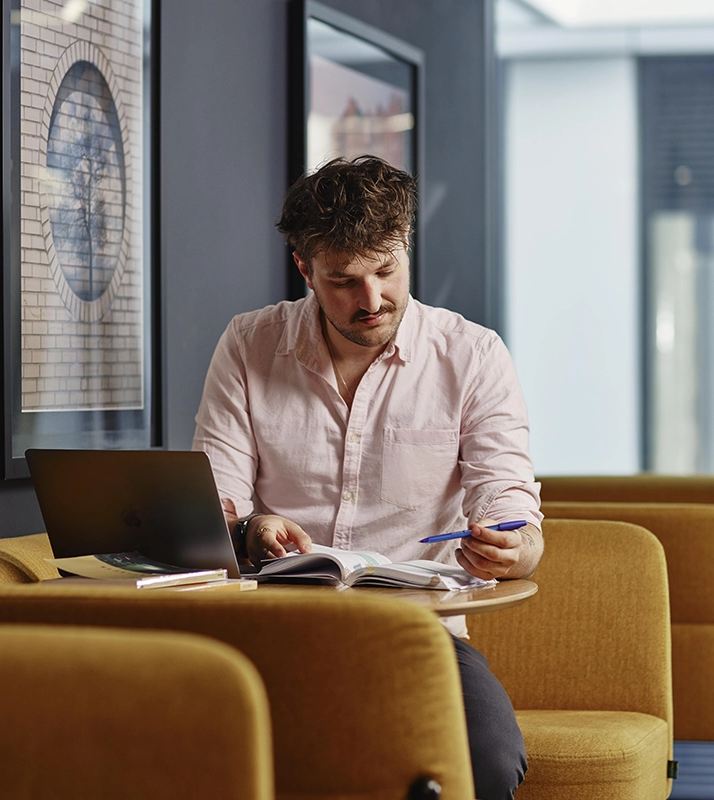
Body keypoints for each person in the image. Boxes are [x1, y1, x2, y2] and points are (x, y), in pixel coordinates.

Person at [192, 155, 541, 799]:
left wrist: (512, 547)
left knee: (487, 761)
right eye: (344, 281)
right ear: (305, 268)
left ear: (406, 247)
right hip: (272, 634)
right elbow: (209, 511)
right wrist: (248, 530)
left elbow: (511, 500)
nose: (372, 300)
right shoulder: (248, 345)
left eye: (386, 270)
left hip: (419, 633)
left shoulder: (472, 355)